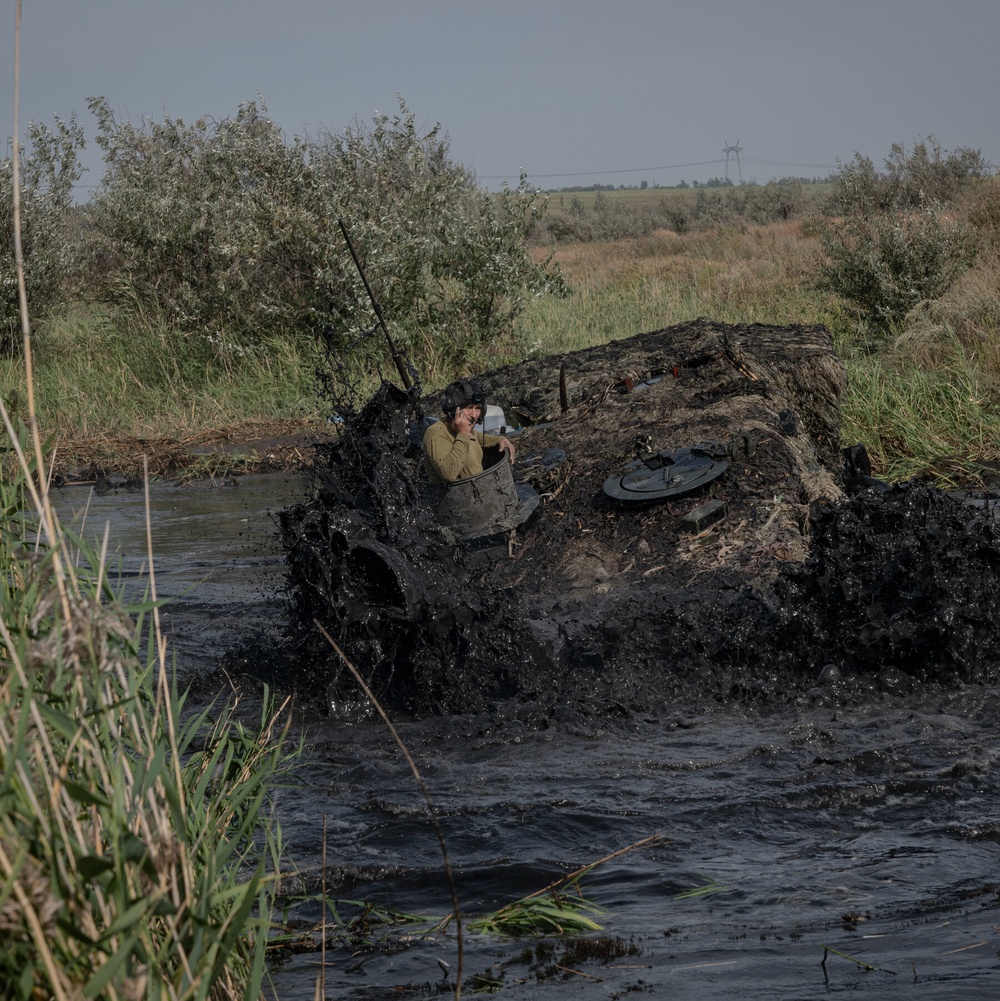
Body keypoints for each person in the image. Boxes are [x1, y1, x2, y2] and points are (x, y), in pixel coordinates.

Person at [423, 378, 515, 484]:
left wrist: (500, 439)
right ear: (454, 409)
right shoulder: (436, 433)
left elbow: (477, 437)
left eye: (478, 408)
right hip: (459, 498)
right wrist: (463, 434)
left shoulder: (465, 429)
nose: (474, 414)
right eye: (469, 407)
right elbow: (449, 473)